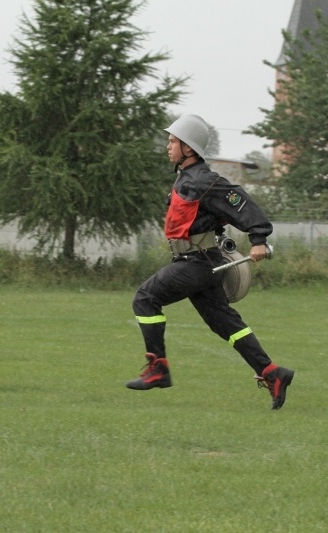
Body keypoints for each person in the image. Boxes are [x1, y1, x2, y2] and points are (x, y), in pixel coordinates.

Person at [126, 114, 295, 410]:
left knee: (145, 298)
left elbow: (241, 203)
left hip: (198, 264)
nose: (168, 146)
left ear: (188, 148)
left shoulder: (206, 181)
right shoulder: (186, 178)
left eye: (172, 141)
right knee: (226, 323)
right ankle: (272, 373)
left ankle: (158, 369)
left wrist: (258, 238)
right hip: (199, 263)